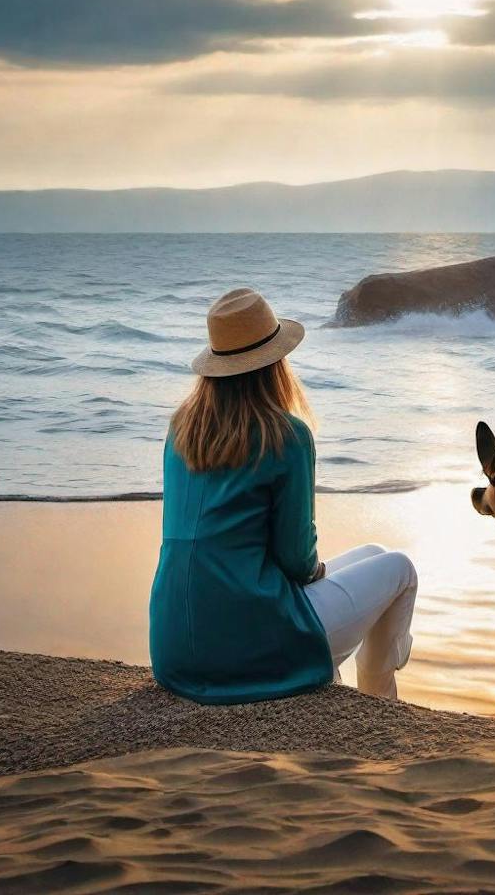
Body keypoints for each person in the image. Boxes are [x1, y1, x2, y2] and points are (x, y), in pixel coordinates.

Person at [149, 287, 417, 704]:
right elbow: (296, 560)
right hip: (248, 643)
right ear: (275, 363)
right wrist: (317, 574)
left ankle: (358, 684)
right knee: (400, 569)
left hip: (174, 647)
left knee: (374, 553)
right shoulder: (286, 436)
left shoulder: (180, 430)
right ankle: (380, 700)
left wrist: (314, 576)